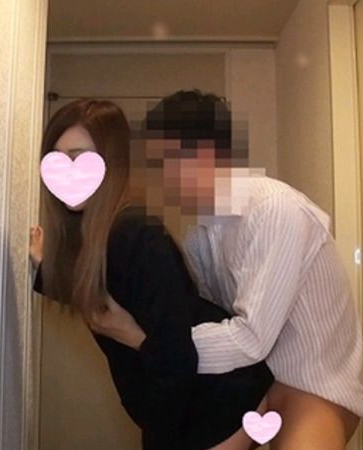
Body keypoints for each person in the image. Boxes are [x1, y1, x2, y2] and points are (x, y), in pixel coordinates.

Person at [86, 90, 363, 450]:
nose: (162, 178)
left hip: (314, 384)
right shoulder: (201, 236)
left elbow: (251, 339)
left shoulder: (275, 210)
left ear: (206, 154)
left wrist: (147, 341)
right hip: (253, 381)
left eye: (166, 162)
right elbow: (203, 320)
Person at [30, 98, 274, 450]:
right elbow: (101, 296)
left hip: (218, 402)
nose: (69, 172)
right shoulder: (99, 237)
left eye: (80, 157)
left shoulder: (135, 234)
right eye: (57, 159)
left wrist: (157, 441)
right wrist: (44, 269)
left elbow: (175, 355)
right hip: (188, 400)